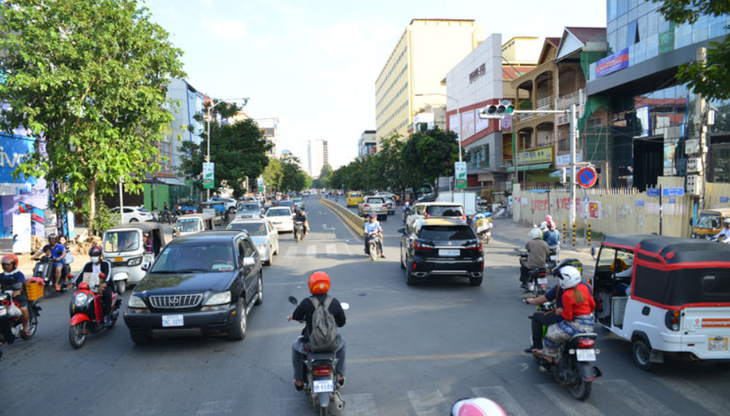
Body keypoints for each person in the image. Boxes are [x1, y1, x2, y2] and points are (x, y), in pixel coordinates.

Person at [288, 272, 347, 391]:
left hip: (310, 345)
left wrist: (292, 316)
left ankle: (299, 380)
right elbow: (342, 322)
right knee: (343, 343)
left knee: (295, 347)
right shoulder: (334, 302)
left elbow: (297, 315)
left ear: (311, 285)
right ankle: (340, 375)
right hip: (332, 345)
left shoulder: (306, 302)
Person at [530, 266, 595, 363]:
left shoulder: (567, 295)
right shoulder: (585, 287)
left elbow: (568, 317)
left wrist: (561, 311)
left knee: (550, 333)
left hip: (576, 326)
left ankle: (549, 355)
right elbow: (593, 305)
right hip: (589, 324)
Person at [71, 246, 114, 327]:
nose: (93, 258)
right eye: (91, 256)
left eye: (95, 256)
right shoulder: (88, 265)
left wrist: (105, 283)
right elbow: (81, 274)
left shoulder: (106, 263)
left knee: (107, 295)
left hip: (103, 286)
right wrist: (73, 283)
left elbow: (108, 275)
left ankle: (106, 316)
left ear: (100, 256)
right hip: (90, 286)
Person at [0, 254, 31, 337]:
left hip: (18, 296)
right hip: (5, 297)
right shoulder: (2, 275)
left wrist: (17, 292)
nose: (6, 266)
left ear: (14, 264)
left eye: (8, 264)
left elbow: (20, 285)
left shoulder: (18, 274)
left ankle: (25, 329)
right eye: (4, 265)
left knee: (23, 309)